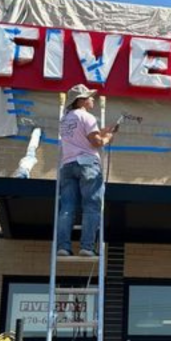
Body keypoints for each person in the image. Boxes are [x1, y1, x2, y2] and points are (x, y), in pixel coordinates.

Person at [56, 84, 116, 256]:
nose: (92, 99)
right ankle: (87, 247)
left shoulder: (65, 119)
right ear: (80, 100)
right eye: (89, 97)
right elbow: (96, 142)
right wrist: (108, 137)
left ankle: (63, 247)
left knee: (67, 207)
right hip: (87, 164)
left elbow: (81, 136)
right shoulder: (87, 117)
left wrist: (102, 131)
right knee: (91, 206)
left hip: (68, 165)